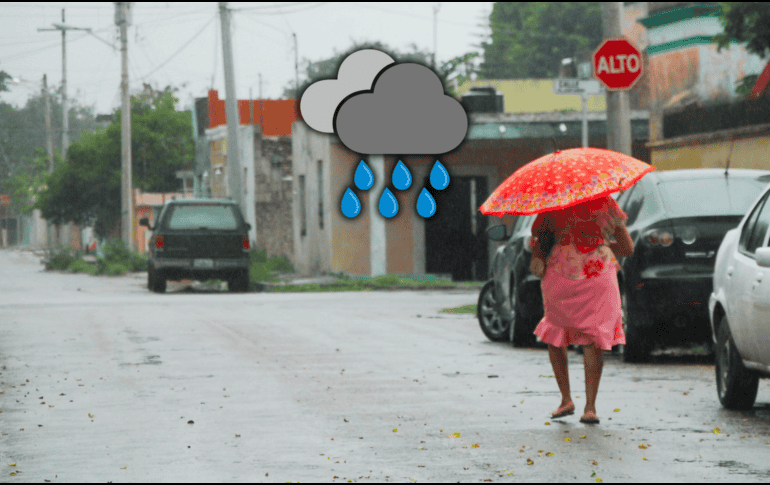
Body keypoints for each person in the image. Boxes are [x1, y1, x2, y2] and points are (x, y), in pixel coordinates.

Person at [528, 195, 634, 424]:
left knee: (556, 333)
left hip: (560, 271)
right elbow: (627, 248)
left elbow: (538, 239)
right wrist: (598, 244)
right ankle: (590, 407)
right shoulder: (607, 204)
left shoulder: (553, 203)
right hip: (597, 271)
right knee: (593, 337)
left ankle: (566, 399)